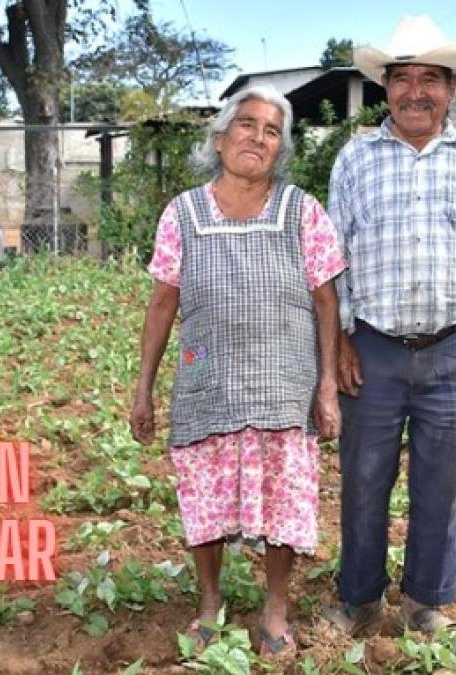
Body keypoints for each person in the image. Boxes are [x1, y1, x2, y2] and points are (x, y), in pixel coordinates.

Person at [322, 15, 456, 637]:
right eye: (403, 78)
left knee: (442, 487)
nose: (416, 91)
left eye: (430, 79)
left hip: (452, 346)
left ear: (452, 89)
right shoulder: (356, 158)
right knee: (363, 481)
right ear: (386, 87)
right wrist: (340, 339)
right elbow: (331, 259)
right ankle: (357, 599)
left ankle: (425, 603)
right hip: (374, 348)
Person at [129, 84, 346, 657]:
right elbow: (161, 303)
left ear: (282, 149)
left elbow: (328, 302)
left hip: (285, 386)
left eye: (272, 131)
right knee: (205, 502)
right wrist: (143, 388)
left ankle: (274, 609)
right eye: (247, 125)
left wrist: (327, 385)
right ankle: (209, 602)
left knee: (285, 502)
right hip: (211, 384)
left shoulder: (303, 211)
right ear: (220, 138)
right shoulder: (183, 212)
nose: (258, 137)